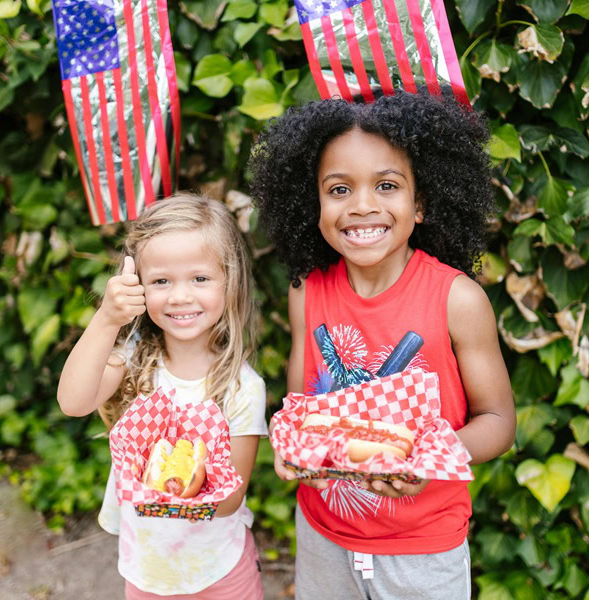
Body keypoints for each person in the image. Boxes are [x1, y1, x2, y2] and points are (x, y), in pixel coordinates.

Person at [249, 89, 516, 599]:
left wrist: (427, 457)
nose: (363, 205)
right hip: (324, 535)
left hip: (423, 550)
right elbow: (300, 410)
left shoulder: (457, 300)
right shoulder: (307, 289)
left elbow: (498, 423)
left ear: (421, 204)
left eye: (387, 185)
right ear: (315, 203)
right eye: (340, 189)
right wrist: (292, 448)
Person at [57, 194, 267, 600]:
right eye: (161, 281)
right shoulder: (136, 361)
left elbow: (229, 501)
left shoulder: (242, 388)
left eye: (200, 278)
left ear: (230, 281)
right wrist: (107, 318)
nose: (179, 296)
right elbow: (73, 402)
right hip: (147, 572)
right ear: (137, 286)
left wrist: (171, 479)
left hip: (221, 571)